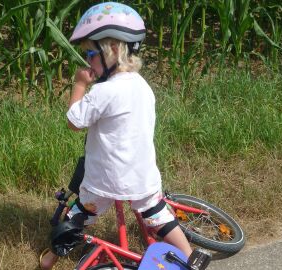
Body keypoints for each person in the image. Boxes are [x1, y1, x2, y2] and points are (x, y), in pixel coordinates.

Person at [40, 2, 193, 269]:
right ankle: (190, 257)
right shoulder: (143, 86)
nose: (87, 61)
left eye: (90, 54)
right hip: (142, 178)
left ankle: (49, 260)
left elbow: (74, 122)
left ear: (111, 50)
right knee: (158, 214)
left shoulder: (104, 91)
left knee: (78, 215)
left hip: (105, 181)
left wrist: (79, 83)